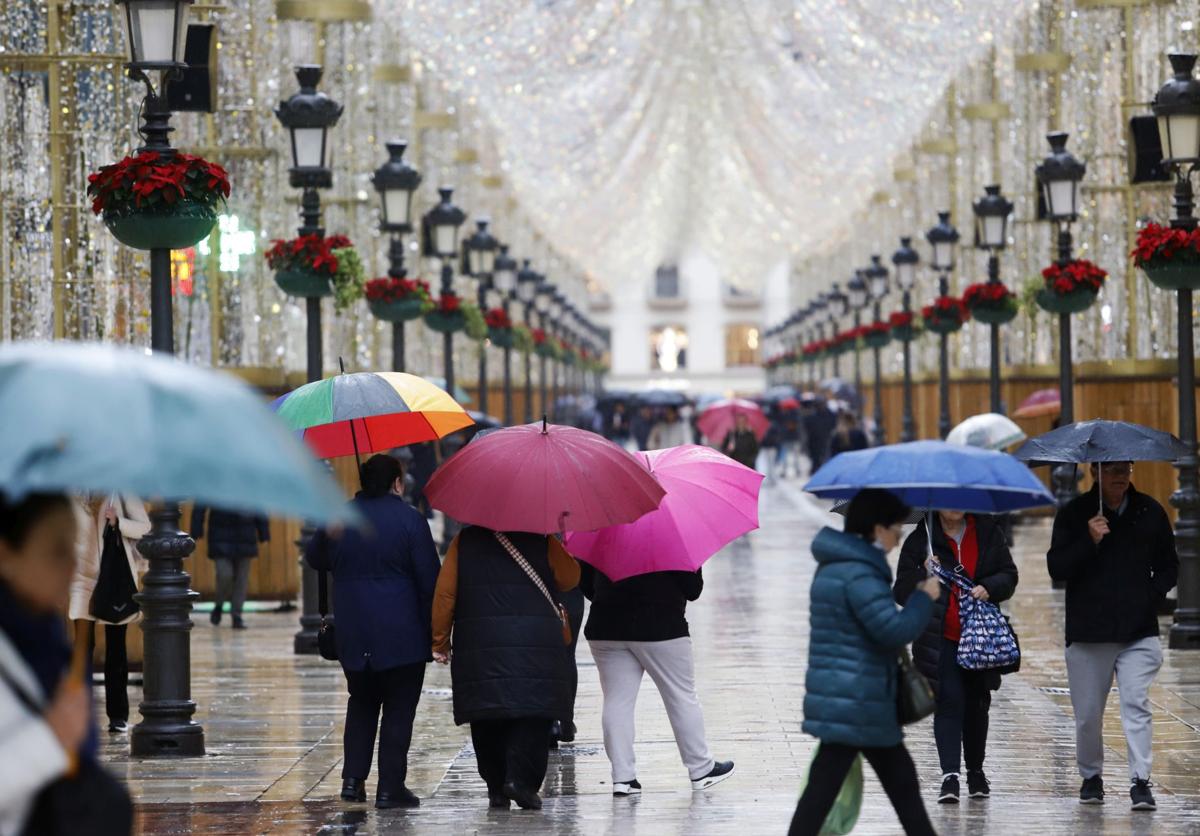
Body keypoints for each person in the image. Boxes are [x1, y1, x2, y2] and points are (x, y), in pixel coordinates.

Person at [790, 488, 939, 836]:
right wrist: (922, 599)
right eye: (895, 527)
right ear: (876, 528)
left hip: (847, 699)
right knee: (901, 789)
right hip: (859, 701)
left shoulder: (840, 566)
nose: (900, 535)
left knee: (825, 794)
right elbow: (892, 630)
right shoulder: (860, 573)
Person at [305, 455, 441, 810]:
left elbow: (316, 558)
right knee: (398, 708)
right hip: (403, 634)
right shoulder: (411, 520)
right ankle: (390, 787)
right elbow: (430, 581)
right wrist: (437, 632)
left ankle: (353, 780)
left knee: (362, 702)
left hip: (354, 630)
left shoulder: (339, 517)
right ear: (397, 482)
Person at [1047, 460, 1177, 811]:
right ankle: (1091, 777)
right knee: (1088, 714)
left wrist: (1150, 595)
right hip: (1089, 633)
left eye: (1126, 469)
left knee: (1136, 703)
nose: (1121, 476)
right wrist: (1088, 540)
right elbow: (1056, 568)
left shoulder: (1150, 511)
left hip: (1138, 631)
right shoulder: (1074, 514)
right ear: (1094, 472)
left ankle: (1141, 781)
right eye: (1113, 469)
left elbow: (1169, 565)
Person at [431, 525, 580, 810]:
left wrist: (440, 640)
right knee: (534, 711)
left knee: (486, 711)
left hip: (479, 641)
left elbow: (445, 594)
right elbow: (570, 579)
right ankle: (520, 780)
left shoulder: (465, 540)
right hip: (535, 641)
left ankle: (496, 786)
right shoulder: (543, 538)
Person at [0, 492, 115, 836]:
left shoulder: (52, 648)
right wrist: (50, 739)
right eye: (55, 552)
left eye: (72, 549)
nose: (70, 567)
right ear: (5, 554)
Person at [895, 510, 1018, 804]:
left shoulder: (988, 531)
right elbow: (900, 592)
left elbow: (1009, 576)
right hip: (940, 637)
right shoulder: (921, 538)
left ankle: (975, 770)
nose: (954, 505)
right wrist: (921, 575)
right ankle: (950, 776)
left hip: (980, 638)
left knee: (977, 704)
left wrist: (989, 588)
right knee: (948, 700)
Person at [580, 564, 734, 797]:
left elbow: (587, 585)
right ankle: (701, 769)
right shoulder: (673, 534)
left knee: (616, 700)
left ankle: (623, 778)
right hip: (661, 625)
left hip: (606, 624)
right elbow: (693, 589)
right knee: (681, 697)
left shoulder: (602, 530)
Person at [68, 494, 149, 734]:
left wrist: (119, 522)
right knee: (82, 648)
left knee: (116, 648)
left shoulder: (120, 488)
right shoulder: (70, 489)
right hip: (80, 579)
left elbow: (146, 528)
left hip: (113, 575)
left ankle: (118, 716)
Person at [191, 505, 269, 630]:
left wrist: (263, 531)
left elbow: (257, 503)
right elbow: (201, 501)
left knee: (241, 579)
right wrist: (196, 528)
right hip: (220, 533)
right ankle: (219, 605)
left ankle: (237, 615)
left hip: (245, 534)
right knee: (224, 575)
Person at [801, 398, 836, 472]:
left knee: (823, 458)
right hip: (815, 441)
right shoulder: (811, 416)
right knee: (816, 459)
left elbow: (833, 425)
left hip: (825, 440)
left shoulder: (830, 415)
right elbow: (806, 427)